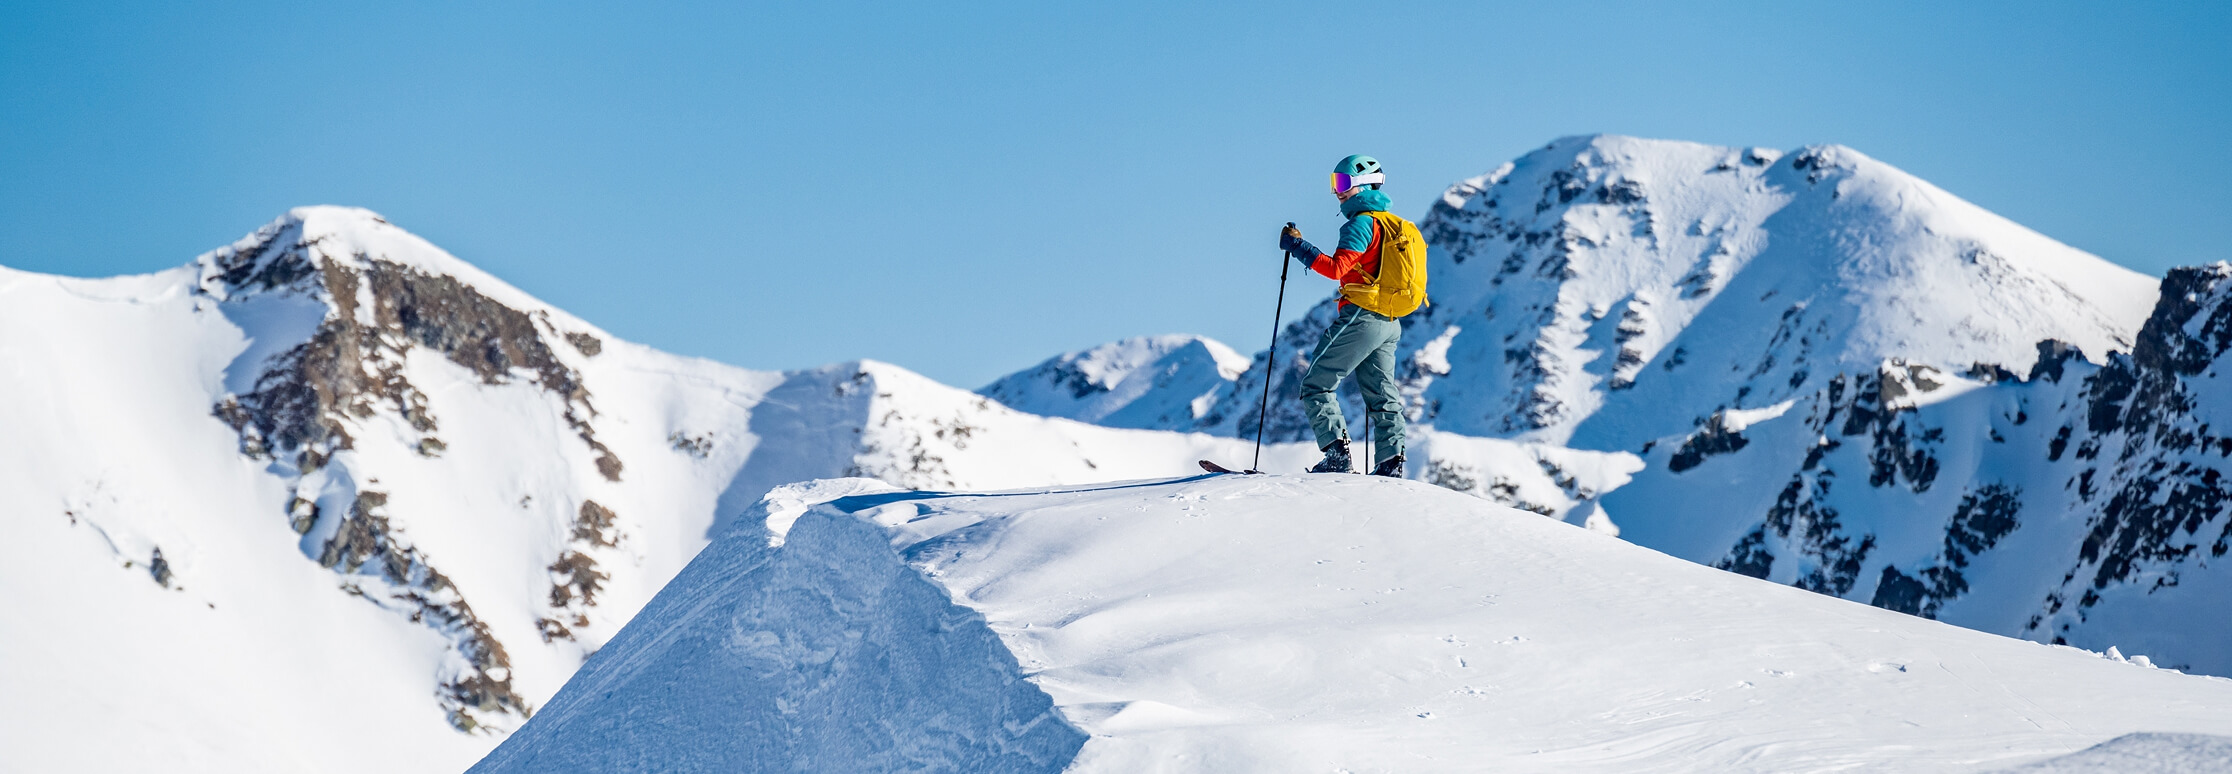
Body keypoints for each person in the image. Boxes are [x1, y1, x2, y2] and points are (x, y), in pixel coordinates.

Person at [1277, 154, 1428, 477]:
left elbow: (1336, 269)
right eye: (1335, 183)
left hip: (1361, 316)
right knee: (1382, 394)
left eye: (1343, 183)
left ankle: (1337, 456)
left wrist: (1297, 246)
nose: (1338, 191)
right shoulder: (1392, 225)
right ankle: (1391, 463)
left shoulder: (1360, 224)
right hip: (1390, 321)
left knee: (1316, 385)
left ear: (1364, 186)